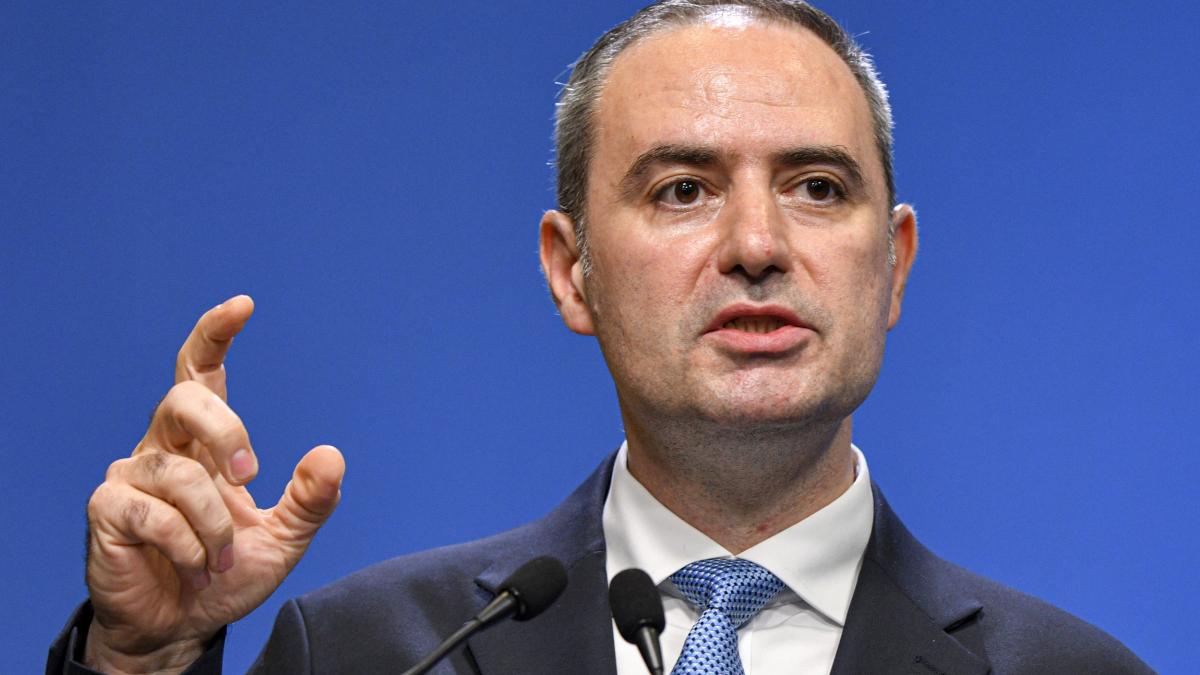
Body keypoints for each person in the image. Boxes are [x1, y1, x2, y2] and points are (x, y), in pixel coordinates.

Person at [49, 1, 1152, 673]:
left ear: (895, 264)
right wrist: (141, 661)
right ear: (570, 271)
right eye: (683, 189)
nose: (757, 245)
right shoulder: (368, 654)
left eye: (817, 186)